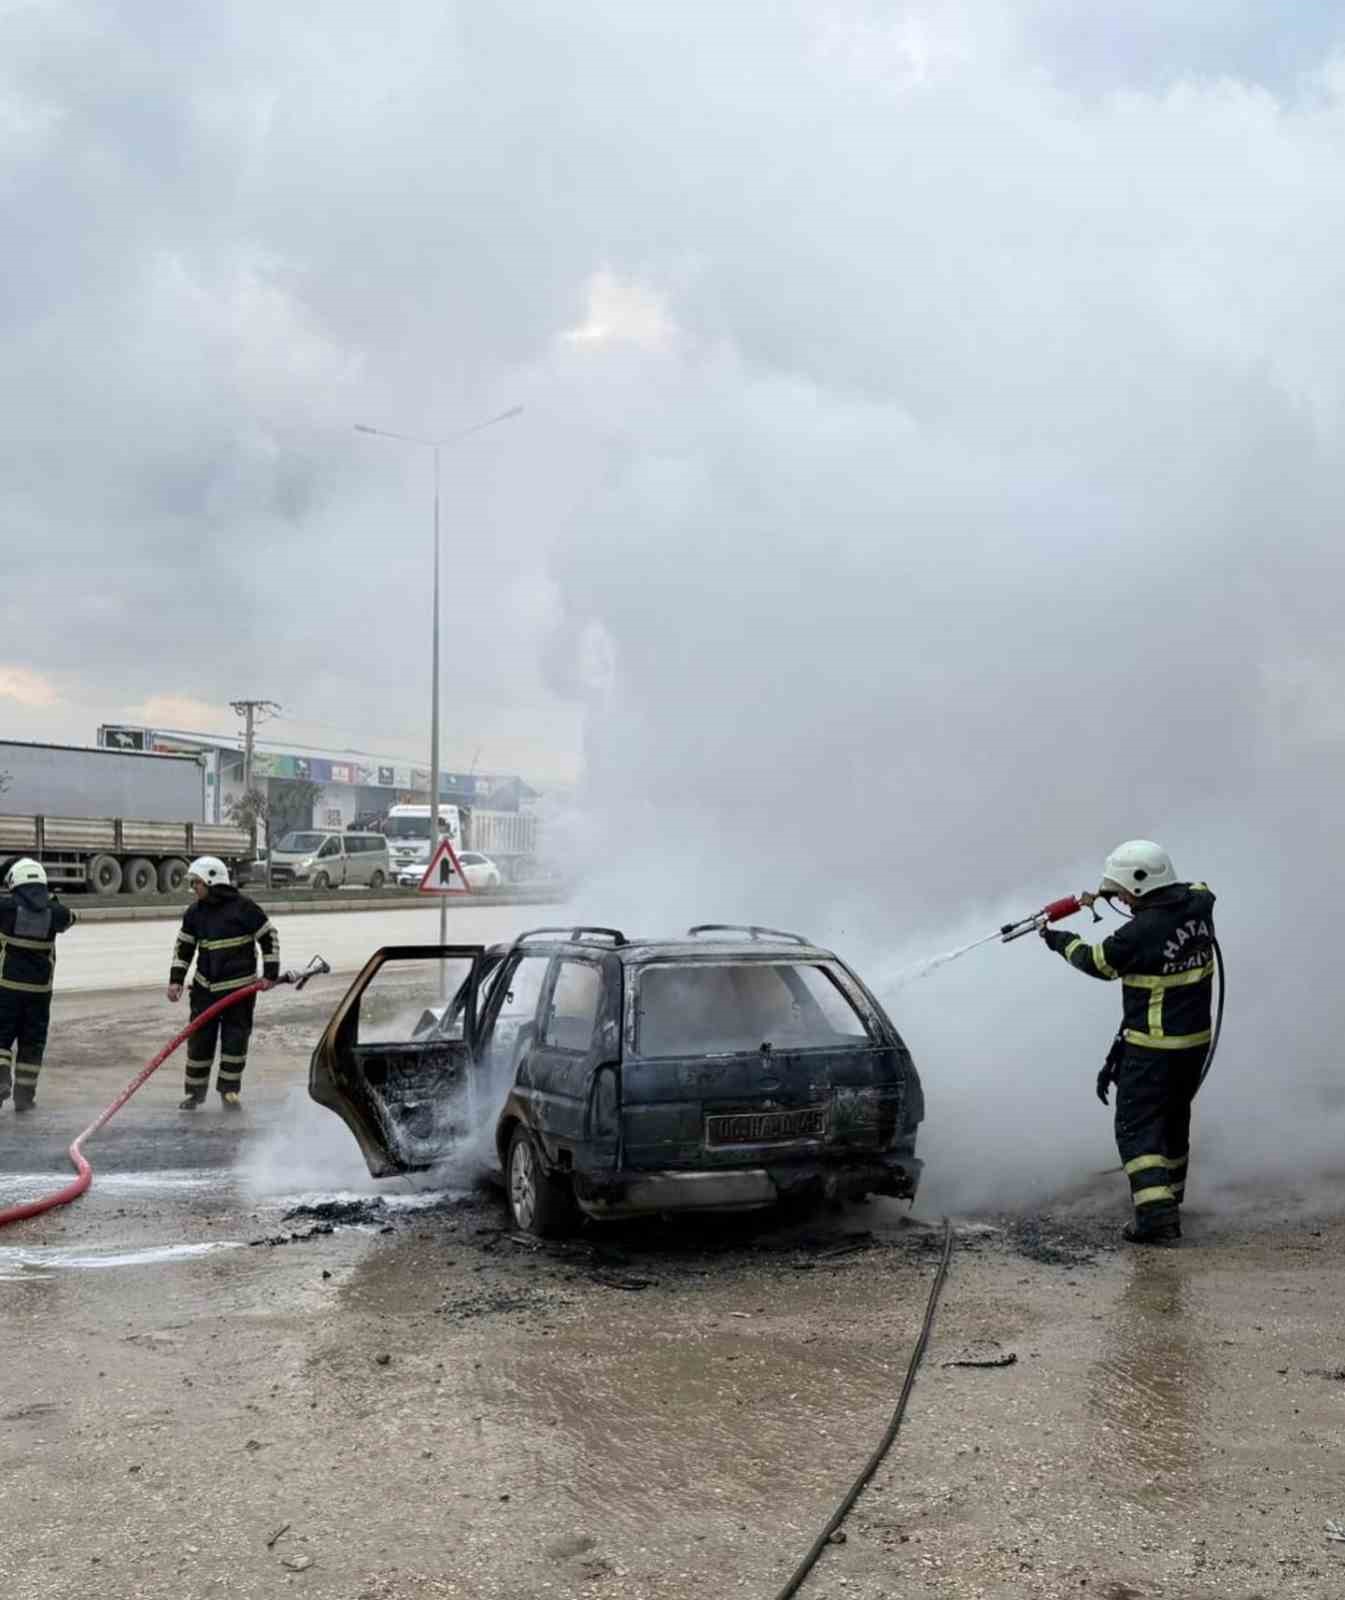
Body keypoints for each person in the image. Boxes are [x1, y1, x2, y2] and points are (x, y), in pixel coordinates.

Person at [1040, 840, 1216, 1246]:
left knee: (1137, 1130)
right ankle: (1170, 1199)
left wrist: (1058, 939)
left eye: (1123, 890)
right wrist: (1106, 891)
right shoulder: (1201, 904)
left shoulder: (1138, 933)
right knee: (1174, 1120)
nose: (1118, 898)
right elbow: (1197, 888)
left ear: (1139, 885)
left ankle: (1156, 1219)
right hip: (1193, 1043)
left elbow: (1096, 961)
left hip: (1153, 1048)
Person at [167, 855, 280, 1111]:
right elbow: (184, 948)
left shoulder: (244, 908)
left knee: (234, 1041)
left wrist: (270, 973)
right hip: (204, 990)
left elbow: (268, 936)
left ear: (211, 881)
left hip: (239, 991)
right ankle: (195, 1093)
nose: (193, 888)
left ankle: (229, 1091)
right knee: (199, 1042)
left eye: (196, 883)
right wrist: (176, 981)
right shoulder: (194, 913)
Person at [0, 858, 77, 1115]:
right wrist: (52, 902)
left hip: (7, 988)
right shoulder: (55, 914)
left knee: (1, 1038)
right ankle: (24, 1097)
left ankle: (1, 1082)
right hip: (40, 994)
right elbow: (71, 918)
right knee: (32, 1043)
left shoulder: (6, 909)